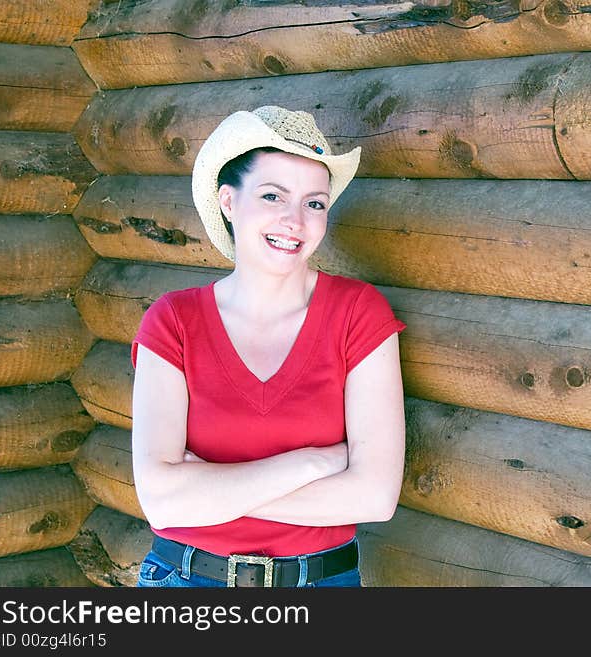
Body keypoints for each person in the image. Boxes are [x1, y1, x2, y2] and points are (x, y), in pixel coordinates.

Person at [129, 106, 407, 587]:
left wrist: (207, 490)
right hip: (186, 580)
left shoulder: (357, 313)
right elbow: (158, 499)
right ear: (229, 202)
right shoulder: (174, 320)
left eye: (314, 203)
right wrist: (314, 463)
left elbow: (374, 497)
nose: (294, 220)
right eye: (273, 195)